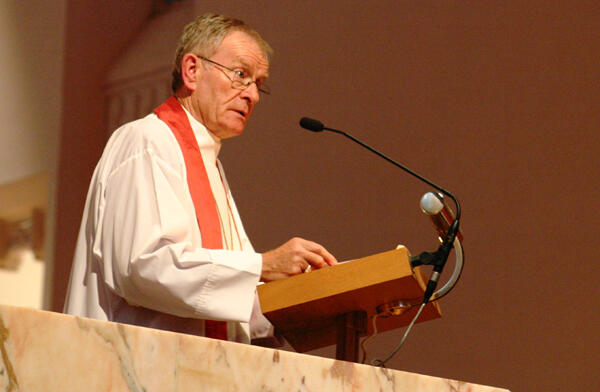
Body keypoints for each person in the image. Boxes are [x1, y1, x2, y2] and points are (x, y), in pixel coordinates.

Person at [64, 13, 337, 344]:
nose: (251, 95)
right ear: (192, 70)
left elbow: (224, 298)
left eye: (258, 84)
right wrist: (261, 265)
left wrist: (313, 305)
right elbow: (144, 268)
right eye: (240, 75)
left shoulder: (210, 166)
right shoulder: (146, 141)